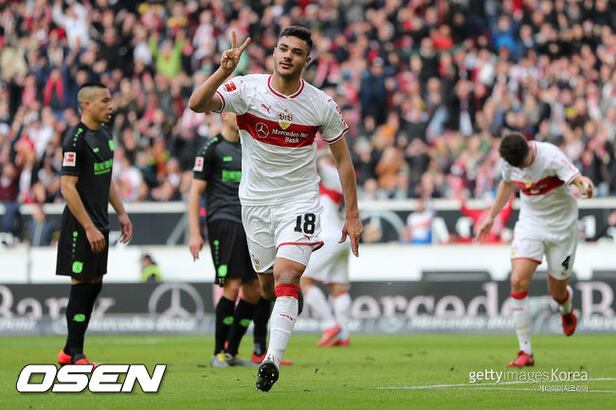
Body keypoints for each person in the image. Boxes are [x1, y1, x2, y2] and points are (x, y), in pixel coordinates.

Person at [188, 26, 362, 392]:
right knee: (266, 286)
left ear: (306, 60)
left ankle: (272, 359)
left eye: (296, 52)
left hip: (299, 201)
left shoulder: (320, 104)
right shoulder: (247, 89)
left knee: (287, 275)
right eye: (283, 48)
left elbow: (344, 161)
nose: (287, 55)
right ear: (274, 52)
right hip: (255, 204)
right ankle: (282, 307)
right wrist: (223, 71)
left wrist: (352, 214)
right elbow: (197, 104)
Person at [477, 132, 593, 368]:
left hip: (562, 228)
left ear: (529, 149)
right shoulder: (510, 163)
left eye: (525, 164)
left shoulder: (550, 156)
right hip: (531, 225)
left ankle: (566, 310)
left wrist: (585, 186)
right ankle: (525, 352)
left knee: (557, 292)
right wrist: (491, 215)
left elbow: (577, 178)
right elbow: (506, 185)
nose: (523, 169)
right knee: (517, 281)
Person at [55, 82, 133, 365]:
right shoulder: (76, 140)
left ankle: (69, 350)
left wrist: (121, 212)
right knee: (81, 284)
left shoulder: (106, 135)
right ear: (86, 105)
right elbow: (67, 187)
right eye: (104, 101)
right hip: (81, 226)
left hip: (100, 222)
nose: (110, 106)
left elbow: (107, 177)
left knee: (94, 285)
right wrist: (88, 227)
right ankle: (75, 353)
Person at [188, 112, 262, 368]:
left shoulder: (250, 145)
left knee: (254, 289)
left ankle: (231, 351)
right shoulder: (211, 149)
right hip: (223, 220)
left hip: (250, 221)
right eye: (234, 110)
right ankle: (218, 352)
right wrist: (195, 232)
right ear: (223, 115)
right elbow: (195, 192)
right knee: (231, 285)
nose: (240, 114)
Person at [301, 151, 352, 347]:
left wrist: (320, 150)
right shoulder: (340, 178)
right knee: (339, 288)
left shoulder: (331, 174)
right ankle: (343, 335)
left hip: (327, 237)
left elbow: (313, 162)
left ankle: (330, 326)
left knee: (304, 280)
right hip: (341, 237)